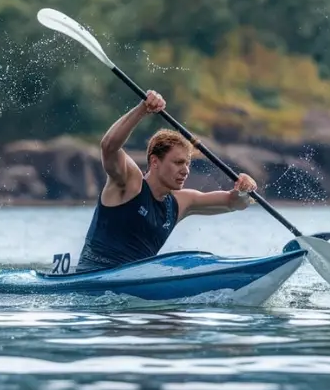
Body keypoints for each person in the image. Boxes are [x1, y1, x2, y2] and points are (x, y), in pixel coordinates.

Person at [76, 90, 258, 271]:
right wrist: (142, 109)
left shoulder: (182, 202)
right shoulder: (130, 182)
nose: (186, 170)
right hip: (91, 281)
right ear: (155, 161)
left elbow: (233, 203)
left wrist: (243, 189)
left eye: (187, 164)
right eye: (178, 163)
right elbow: (108, 146)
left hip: (133, 288)